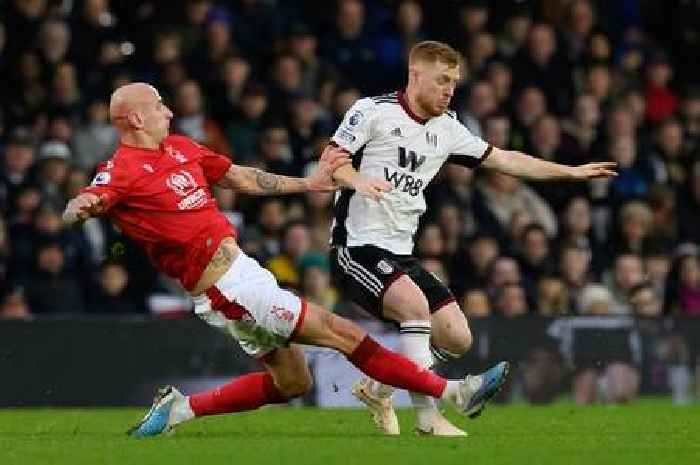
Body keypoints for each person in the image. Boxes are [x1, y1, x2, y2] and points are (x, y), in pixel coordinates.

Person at [62, 82, 509, 438]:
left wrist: (310, 185)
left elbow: (243, 178)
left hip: (242, 274)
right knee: (343, 333)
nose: (169, 112)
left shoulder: (182, 147)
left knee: (293, 384)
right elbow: (89, 197)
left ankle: (181, 409)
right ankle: (454, 391)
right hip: (226, 287)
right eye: (159, 106)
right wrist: (78, 209)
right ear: (136, 117)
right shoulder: (122, 168)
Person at [327, 40, 617, 436]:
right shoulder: (371, 111)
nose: (450, 89)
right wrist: (358, 181)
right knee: (414, 310)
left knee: (457, 337)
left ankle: (380, 387)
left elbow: (506, 160)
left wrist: (569, 171)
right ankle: (428, 419)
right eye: (442, 80)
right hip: (356, 247)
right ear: (416, 75)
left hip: (401, 254)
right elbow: (332, 163)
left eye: (455, 82)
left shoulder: (447, 128)